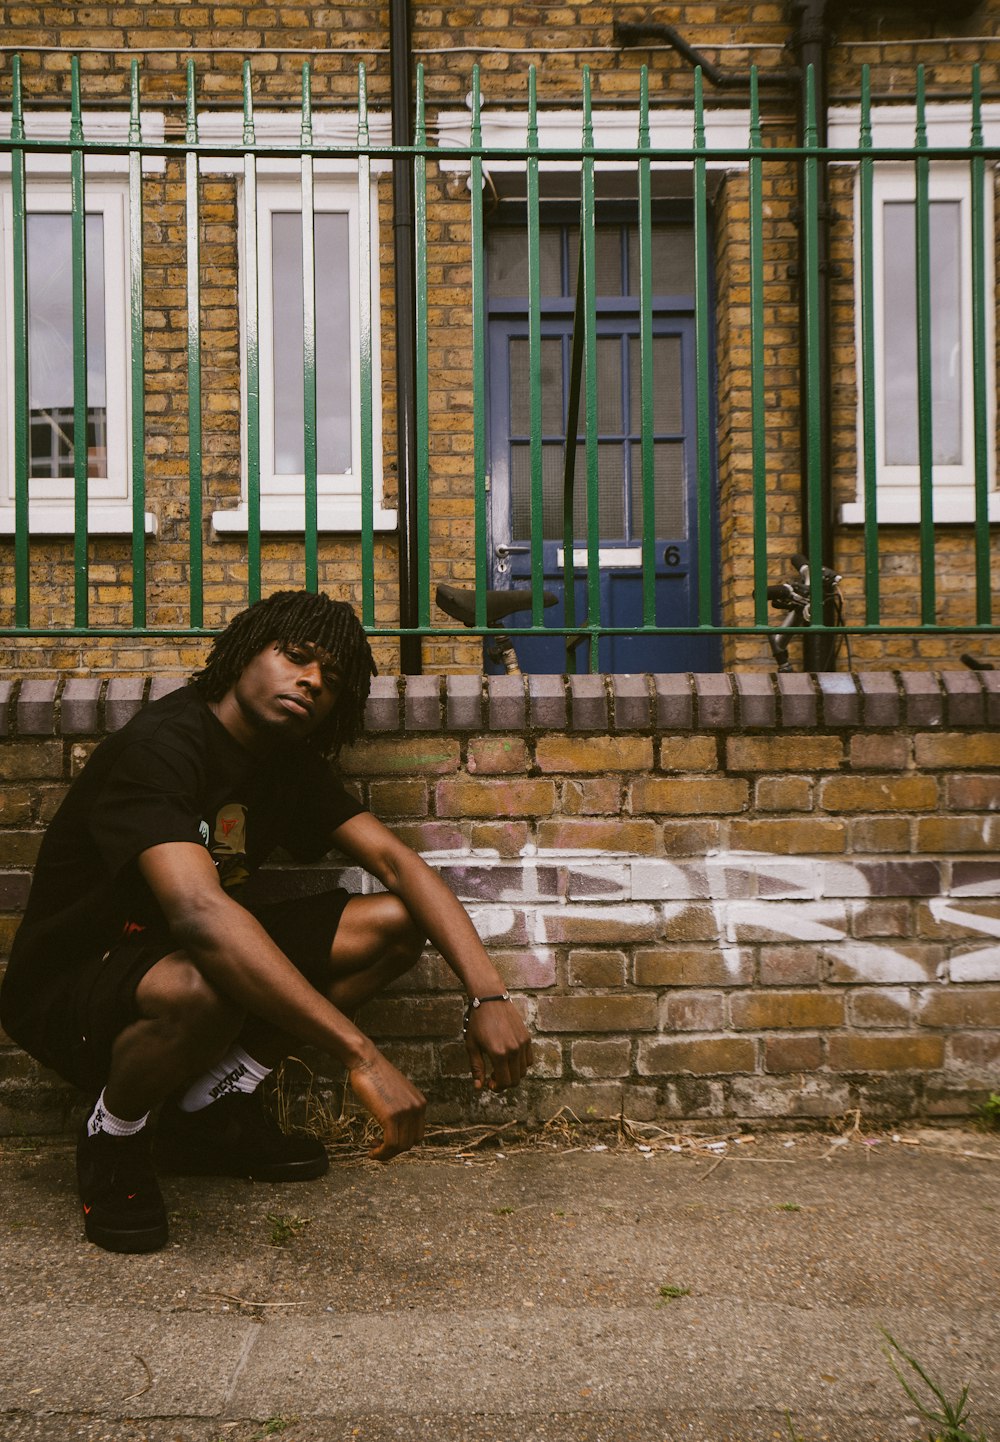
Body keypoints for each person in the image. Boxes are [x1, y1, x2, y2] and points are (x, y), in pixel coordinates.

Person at [0, 590, 533, 1254]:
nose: (311, 681)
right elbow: (198, 914)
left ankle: (210, 1106)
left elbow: (396, 863)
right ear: (246, 653)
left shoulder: (285, 765)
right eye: (297, 657)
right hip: (77, 984)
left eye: (331, 679)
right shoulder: (162, 747)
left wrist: (488, 993)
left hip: (190, 963)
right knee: (204, 980)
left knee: (394, 924)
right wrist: (361, 1056)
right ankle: (116, 1135)